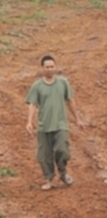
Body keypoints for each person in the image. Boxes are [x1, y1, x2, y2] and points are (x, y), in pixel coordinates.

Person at [25, 55, 85, 190]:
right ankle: (49, 179)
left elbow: (70, 101)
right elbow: (33, 105)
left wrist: (77, 119)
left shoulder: (63, 82)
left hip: (61, 125)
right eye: (47, 67)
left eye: (52, 67)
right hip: (44, 126)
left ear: (55, 67)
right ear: (42, 68)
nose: (50, 69)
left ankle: (63, 173)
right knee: (44, 155)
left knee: (62, 150)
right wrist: (29, 122)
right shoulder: (37, 86)